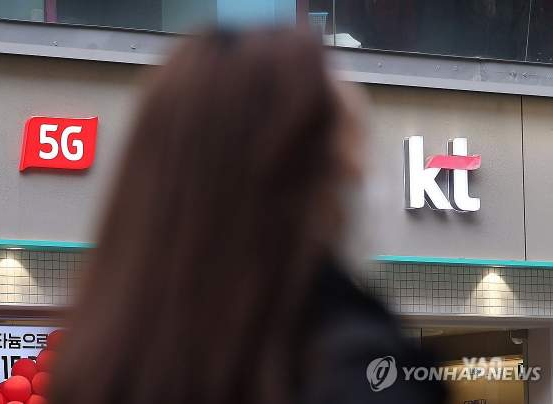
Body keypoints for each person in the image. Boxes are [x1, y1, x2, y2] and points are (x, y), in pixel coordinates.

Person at [50, 28, 445, 404]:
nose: (366, 176)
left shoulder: (101, 369)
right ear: (294, 176)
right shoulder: (360, 372)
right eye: (357, 151)